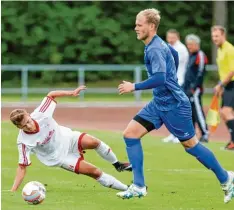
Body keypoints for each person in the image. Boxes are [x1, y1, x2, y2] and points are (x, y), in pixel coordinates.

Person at [116, 8, 234, 203]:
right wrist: (172, 75)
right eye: (136, 24)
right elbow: (173, 57)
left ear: (151, 26)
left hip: (174, 105)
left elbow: (160, 78)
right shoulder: (157, 44)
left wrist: (134, 86)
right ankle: (138, 186)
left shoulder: (154, 48)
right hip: (159, 103)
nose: (135, 27)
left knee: (191, 145)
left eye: (139, 24)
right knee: (130, 134)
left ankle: (226, 178)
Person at [10, 86, 132, 192]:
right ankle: (128, 189)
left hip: (67, 137)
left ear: (29, 115)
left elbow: (51, 95)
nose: (29, 126)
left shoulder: (41, 113)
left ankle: (118, 165)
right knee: (94, 172)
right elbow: (22, 166)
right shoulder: (23, 142)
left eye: (28, 121)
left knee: (94, 142)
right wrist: (13, 190)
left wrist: (72, 93)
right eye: (24, 126)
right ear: (18, 127)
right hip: (59, 157)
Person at [162, 29, 189, 143]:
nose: (170, 39)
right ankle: (173, 133)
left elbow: (171, 63)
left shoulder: (181, 49)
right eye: (169, 37)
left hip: (179, 82)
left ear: (177, 37)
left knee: (178, 109)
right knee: (171, 109)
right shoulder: (168, 46)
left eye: (173, 37)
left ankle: (181, 134)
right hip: (171, 82)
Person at [211, 25, 234, 150]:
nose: (215, 38)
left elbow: (232, 71)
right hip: (227, 84)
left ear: (223, 36)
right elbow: (225, 72)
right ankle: (232, 141)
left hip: (232, 84)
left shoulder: (229, 49)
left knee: (226, 112)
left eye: (217, 36)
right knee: (224, 114)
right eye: (213, 36)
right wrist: (221, 86)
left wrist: (220, 85)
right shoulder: (220, 50)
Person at [183, 34, 209, 143]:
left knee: (198, 111)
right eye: (187, 44)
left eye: (190, 44)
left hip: (195, 90)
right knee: (190, 111)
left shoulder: (200, 55)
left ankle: (205, 133)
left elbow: (200, 73)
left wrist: (194, 87)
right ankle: (192, 133)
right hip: (187, 89)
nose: (188, 46)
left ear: (196, 44)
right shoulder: (191, 55)